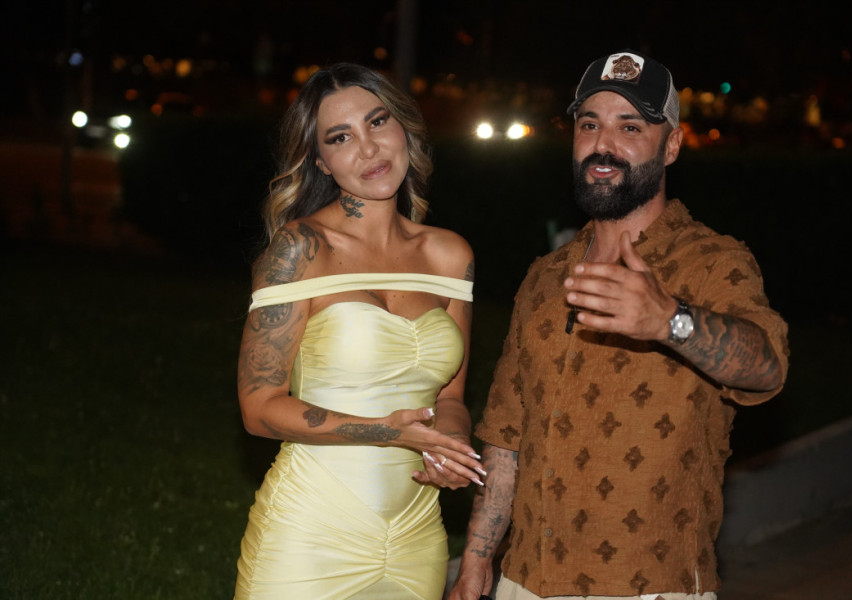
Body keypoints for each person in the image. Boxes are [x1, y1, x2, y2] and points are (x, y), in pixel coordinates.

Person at [448, 50, 789, 600]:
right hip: (525, 578)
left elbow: (767, 368)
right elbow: (508, 435)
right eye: (589, 125)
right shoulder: (545, 276)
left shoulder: (711, 261)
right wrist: (477, 557)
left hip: (647, 582)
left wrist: (670, 321)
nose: (602, 145)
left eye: (630, 127)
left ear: (671, 145)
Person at [234, 63, 486, 600]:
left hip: (416, 537)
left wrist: (452, 445)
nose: (369, 148)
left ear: (404, 128)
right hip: (309, 533)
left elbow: (451, 399)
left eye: (377, 122)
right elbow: (258, 409)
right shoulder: (300, 250)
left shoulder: (449, 255)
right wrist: (387, 432)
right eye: (341, 137)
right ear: (320, 161)